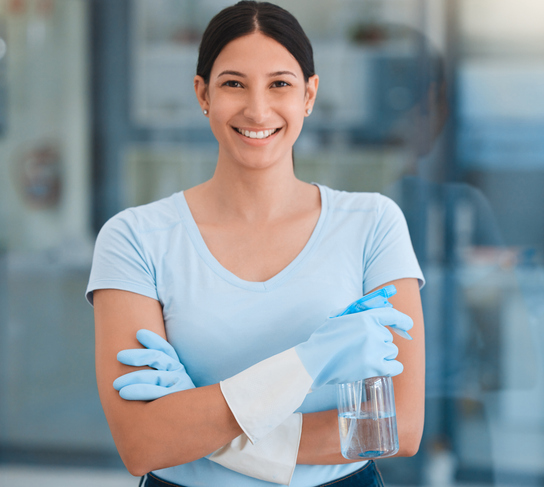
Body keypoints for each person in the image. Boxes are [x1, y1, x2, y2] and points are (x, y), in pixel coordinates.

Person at [86, 2, 425, 487]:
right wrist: (310, 360)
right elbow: (143, 444)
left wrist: (196, 424)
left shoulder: (372, 224)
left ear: (309, 95)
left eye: (280, 84)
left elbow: (397, 428)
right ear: (202, 93)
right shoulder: (135, 238)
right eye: (233, 83)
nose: (258, 109)